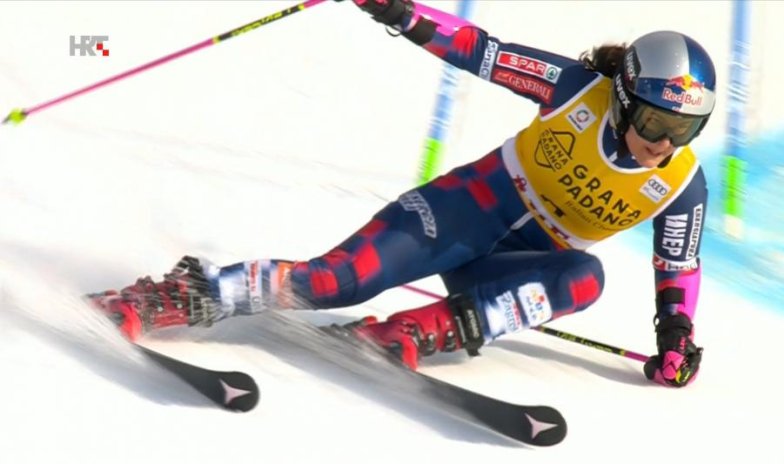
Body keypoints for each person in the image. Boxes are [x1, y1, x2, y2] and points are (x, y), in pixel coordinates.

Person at [89, 0, 714, 387]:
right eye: (655, 121)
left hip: (507, 268)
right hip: (469, 209)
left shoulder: (681, 184)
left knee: (584, 278)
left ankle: (413, 333)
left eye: (685, 130)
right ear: (624, 97)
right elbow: (482, 52)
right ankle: (184, 293)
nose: (664, 142)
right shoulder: (576, 89)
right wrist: (400, 13)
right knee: (335, 282)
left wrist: (676, 339)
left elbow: (677, 268)